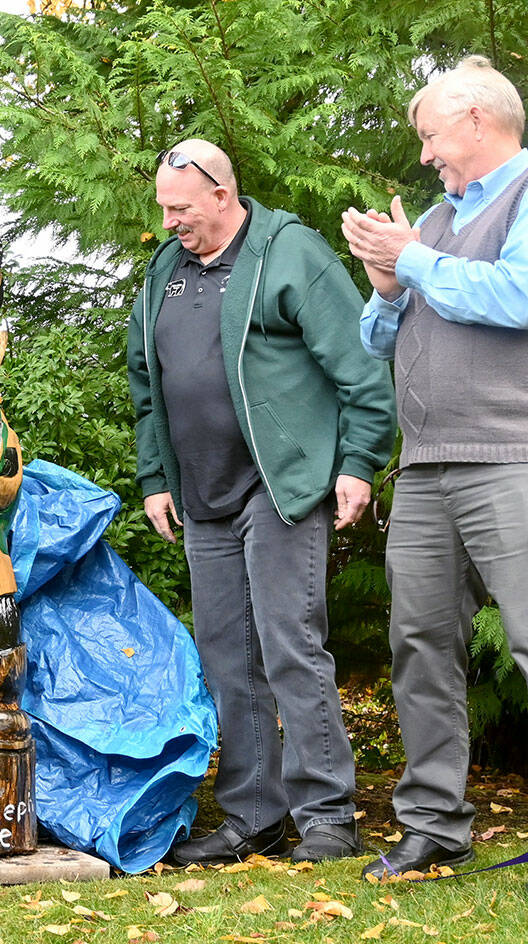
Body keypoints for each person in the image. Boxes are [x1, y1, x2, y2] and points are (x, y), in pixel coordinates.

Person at [127, 139, 396, 866]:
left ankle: (329, 817)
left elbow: (362, 367)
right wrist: (156, 476)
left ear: (221, 194)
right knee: (226, 658)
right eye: (163, 207)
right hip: (203, 495)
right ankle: (255, 816)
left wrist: (359, 462)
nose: (169, 219)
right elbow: (146, 385)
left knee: (289, 649)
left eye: (179, 207)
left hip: (282, 486)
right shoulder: (164, 272)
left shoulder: (288, 253)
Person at [342, 56, 528, 880]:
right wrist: (387, 284)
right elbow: (377, 339)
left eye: (431, 137)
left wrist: (414, 261)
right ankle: (435, 826)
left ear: (478, 123)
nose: (425, 156)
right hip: (423, 470)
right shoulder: (434, 220)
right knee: (419, 644)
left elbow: (517, 297)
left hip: (510, 458)